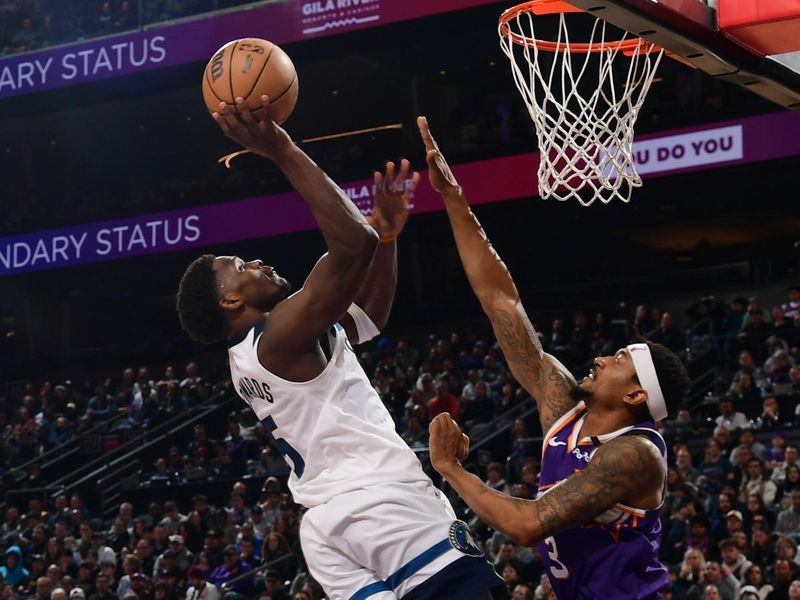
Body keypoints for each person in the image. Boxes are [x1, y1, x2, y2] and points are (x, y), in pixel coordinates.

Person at [176, 97, 500, 599]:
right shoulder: (279, 336)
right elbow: (352, 243)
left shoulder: (260, 351)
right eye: (241, 266)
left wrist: (387, 238)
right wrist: (281, 148)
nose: (256, 262)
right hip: (381, 502)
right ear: (231, 299)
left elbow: (367, 317)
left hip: (328, 526)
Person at [419, 115, 691, 599]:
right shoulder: (566, 408)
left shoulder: (636, 454)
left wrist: (451, 469)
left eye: (620, 359)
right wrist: (454, 200)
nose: (603, 358)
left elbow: (527, 526)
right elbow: (502, 301)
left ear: (635, 393)